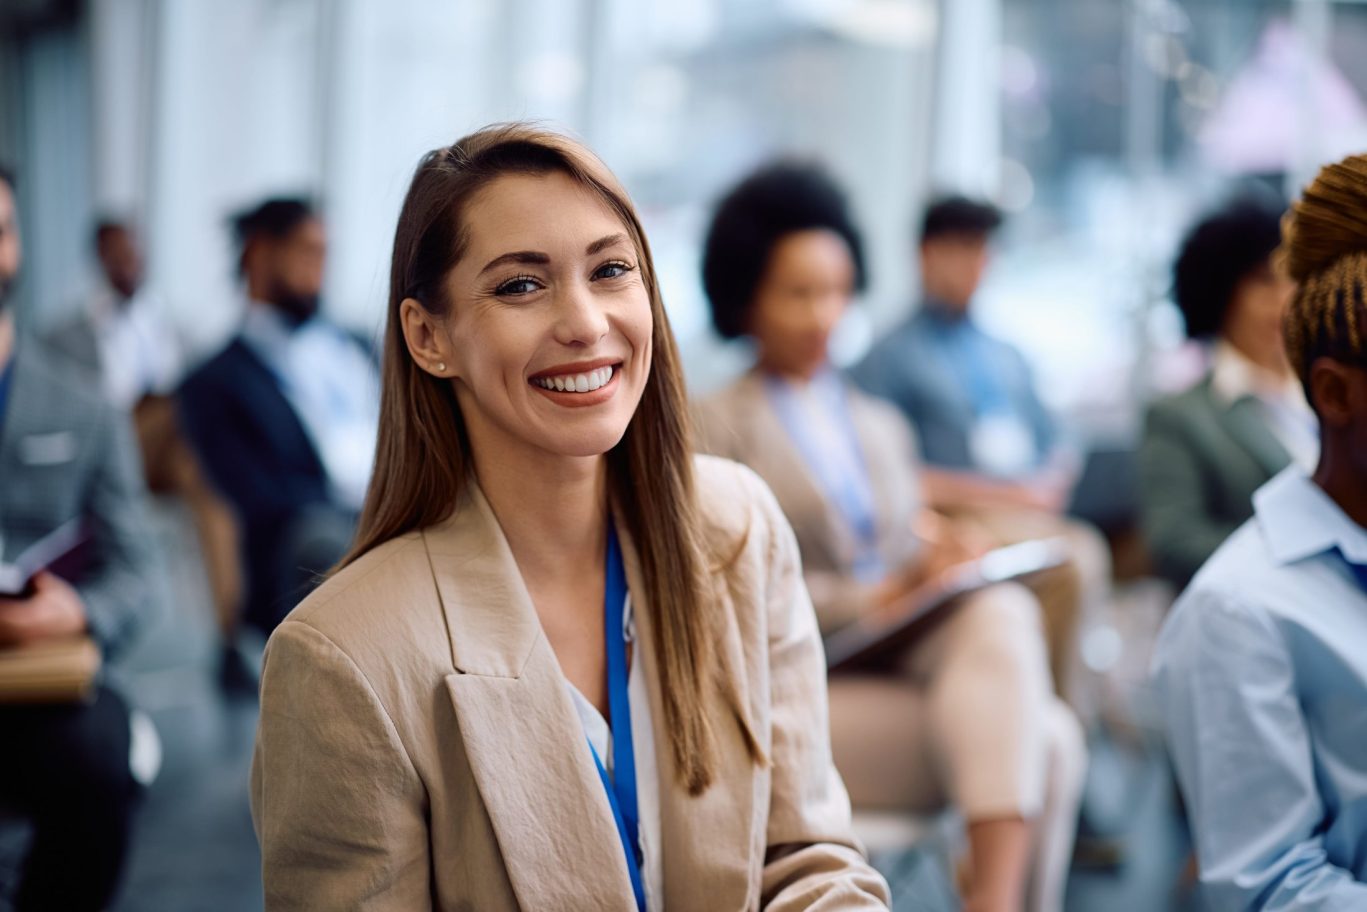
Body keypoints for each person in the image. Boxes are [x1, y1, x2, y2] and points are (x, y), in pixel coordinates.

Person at [249, 126, 890, 910]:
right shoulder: (343, 657)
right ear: (429, 336)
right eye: (521, 285)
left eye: (611, 269)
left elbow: (809, 859)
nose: (585, 322)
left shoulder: (738, 530)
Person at [693, 163, 1085, 912]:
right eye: (798, 293)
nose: (824, 316)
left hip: (900, 659)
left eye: (837, 292)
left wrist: (937, 558)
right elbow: (724, 594)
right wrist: (884, 591)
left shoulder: (875, 423)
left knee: (1051, 721)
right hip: (799, 684)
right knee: (1045, 730)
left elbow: (900, 544)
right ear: (745, 297)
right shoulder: (712, 422)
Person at [1152, 153, 1367, 907]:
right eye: (1256, 281)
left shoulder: (1287, 399)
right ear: (1335, 395)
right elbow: (1272, 886)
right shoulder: (1239, 614)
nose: (1271, 299)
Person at [851, 196, 1109, 712]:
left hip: (1028, 509)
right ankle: (1054, 721)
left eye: (984, 250)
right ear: (925, 255)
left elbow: (1057, 439)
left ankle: (1069, 722)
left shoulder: (1004, 353)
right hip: (953, 516)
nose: (977, 264)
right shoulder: (889, 358)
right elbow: (888, 475)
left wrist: (1050, 482)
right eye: (962, 248)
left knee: (1088, 547)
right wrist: (1008, 494)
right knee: (1076, 558)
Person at [0, 166, 157, 910]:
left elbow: (136, 570)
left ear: (17, 246)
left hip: (39, 674)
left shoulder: (84, 406)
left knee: (99, 757)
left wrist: (79, 612)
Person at [44, 219, 243, 667]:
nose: (128, 264)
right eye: (117, 255)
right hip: (106, 450)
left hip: (165, 456)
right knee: (168, 406)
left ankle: (231, 635)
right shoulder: (65, 337)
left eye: (134, 253)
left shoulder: (174, 327)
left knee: (210, 485)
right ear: (99, 258)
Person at [178, 198, 379, 635]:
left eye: (324, 254)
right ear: (259, 254)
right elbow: (260, 501)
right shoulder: (214, 383)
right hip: (308, 538)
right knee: (327, 543)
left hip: (401, 502)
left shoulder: (361, 346)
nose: (318, 268)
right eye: (306, 252)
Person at [1140, 200, 1312, 589]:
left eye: (1295, 278)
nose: (1284, 299)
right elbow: (1176, 544)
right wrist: (1310, 555)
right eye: (1264, 282)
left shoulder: (1331, 392)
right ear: (1222, 290)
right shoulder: (1179, 415)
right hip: (1264, 610)